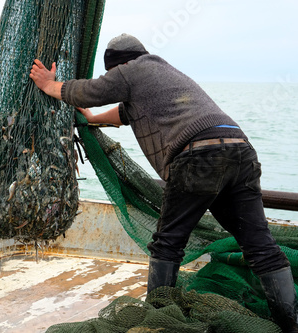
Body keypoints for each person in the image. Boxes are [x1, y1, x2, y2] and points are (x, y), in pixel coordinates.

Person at [30, 33, 297, 331]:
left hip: (198, 156)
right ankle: (290, 323)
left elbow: (88, 91)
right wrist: (90, 119)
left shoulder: (133, 70)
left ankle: (158, 322)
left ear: (122, 64)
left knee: (167, 244)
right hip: (240, 153)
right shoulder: (161, 76)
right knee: (259, 244)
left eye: (112, 73)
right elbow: (120, 114)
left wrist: (49, 85)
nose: (113, 79)